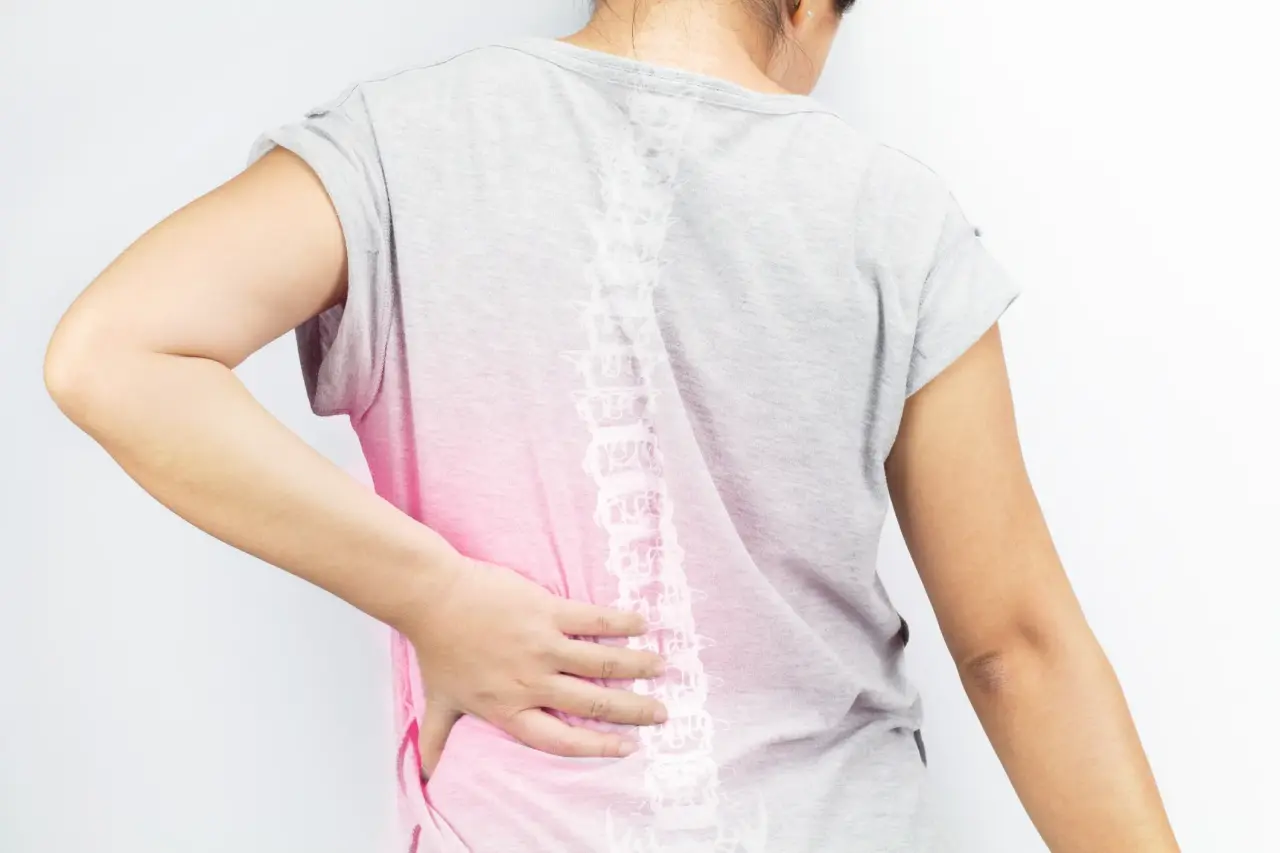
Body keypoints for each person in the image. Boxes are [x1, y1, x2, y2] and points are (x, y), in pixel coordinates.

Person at [43, 1, 1181, 851]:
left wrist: (431, 593)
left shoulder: (407, 138)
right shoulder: (893, 211)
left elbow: (112, 354)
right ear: (808, 11)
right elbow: (1015, 648)